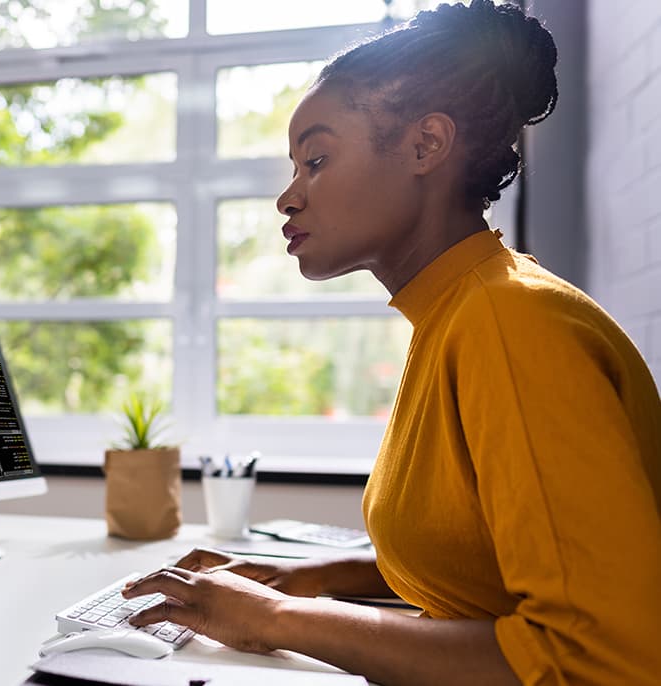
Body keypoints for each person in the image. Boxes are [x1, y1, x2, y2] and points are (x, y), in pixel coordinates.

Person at [121, 2, 661, 684]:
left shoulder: (512, 323)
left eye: (315, 158)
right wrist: (307, 579)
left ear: (425, 146)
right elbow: (481, 560)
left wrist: (273, 621)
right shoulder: (458, 314)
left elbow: (603, 657)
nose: (288, 198)